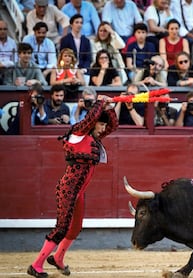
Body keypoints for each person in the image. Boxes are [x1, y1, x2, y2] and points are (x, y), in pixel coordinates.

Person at [27, 94, 117, 278]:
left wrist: (110, 107)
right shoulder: (78, 133)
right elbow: (92, 118)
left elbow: (113, 125)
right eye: (101, 124)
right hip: (68, 189)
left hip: (79, 192)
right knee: (62, 227)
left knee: (75, 228)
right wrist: (100, 101)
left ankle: (58, 258)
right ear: (93, 123)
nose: (103, 128)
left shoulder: (93, 137)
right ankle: (36, 265)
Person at [60, 14, 92, 78]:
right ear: (71, 25)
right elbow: (63, 56)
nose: (79, 25)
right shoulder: (65, 40)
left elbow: (88, 58)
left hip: (83, 70)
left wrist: (84, 69)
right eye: (77, 22)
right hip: (69, 69)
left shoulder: (86, 41)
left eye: (81, 23)